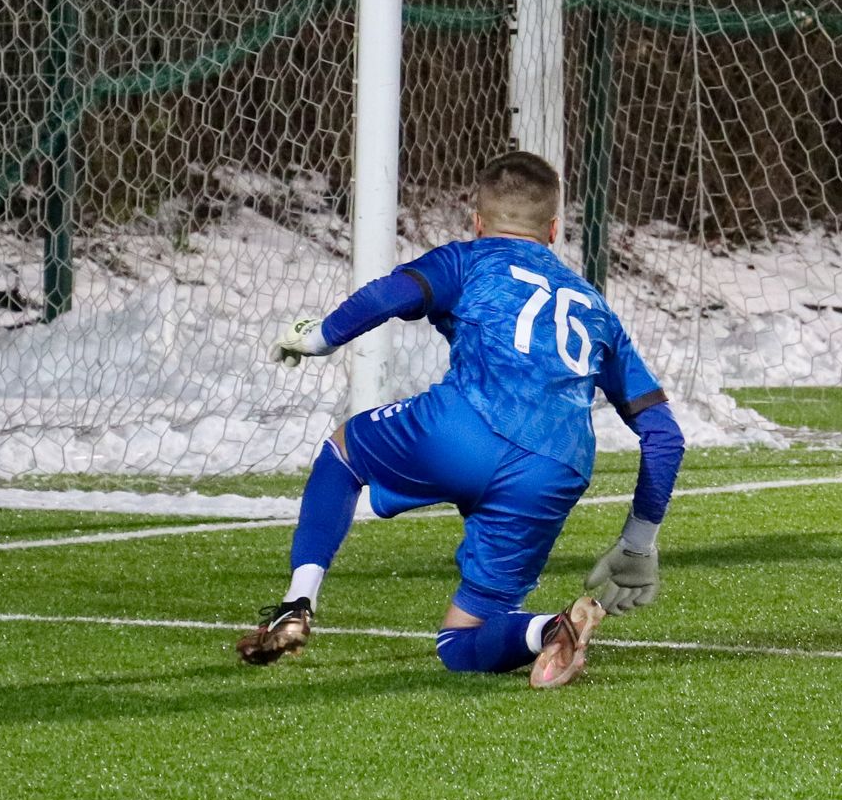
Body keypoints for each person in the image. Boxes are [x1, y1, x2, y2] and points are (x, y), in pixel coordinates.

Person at [234, 151, 683, 687]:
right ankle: (550, 628)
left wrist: (320, 337)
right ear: (554, 230)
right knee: (461, 643)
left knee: (343, 453)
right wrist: (638, 542)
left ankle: (297, 603)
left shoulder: (469, 259)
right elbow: (664, 436)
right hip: (554, 470)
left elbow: (389, 295)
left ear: (477, 221)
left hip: (463, 429)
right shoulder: (595, 307)